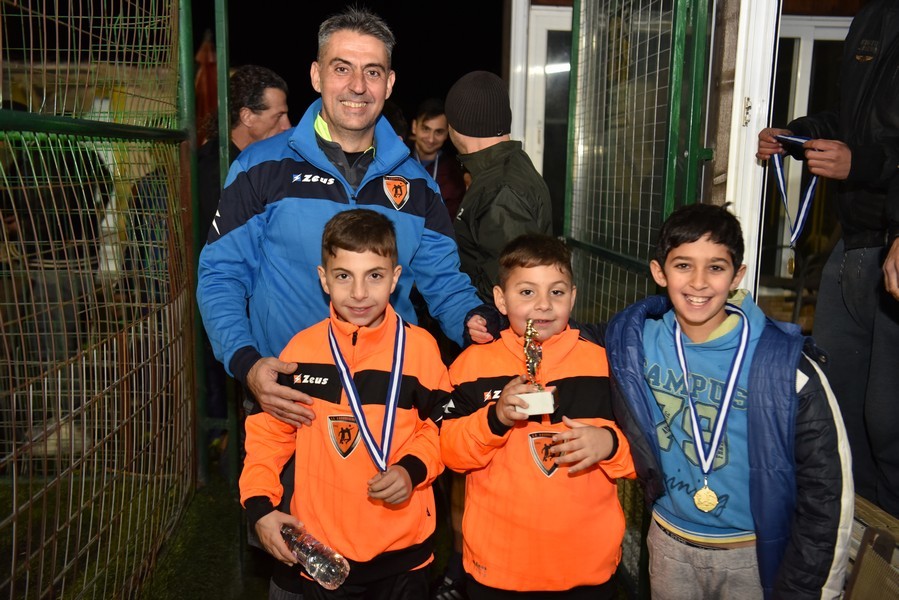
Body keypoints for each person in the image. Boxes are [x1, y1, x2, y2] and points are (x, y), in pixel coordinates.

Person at [196, 6, 486, 430]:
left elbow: (445, 283)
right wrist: (246, 362)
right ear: (316, 76)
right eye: (342, 68)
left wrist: (476, 323)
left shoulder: (417, 183)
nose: (357, 86)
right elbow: (221, 274)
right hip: (291, 401)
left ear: (389, 83)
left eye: (372, 72)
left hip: (390, 403)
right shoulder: (260, 167)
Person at [605, 203, 853, 599]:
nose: (699, 282)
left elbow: (826, 488)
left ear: (737, 275)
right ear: (659, 272)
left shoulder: (783, 366)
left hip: (751, 554)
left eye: (716, 267)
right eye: (683, 265)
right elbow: (560, 335)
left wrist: (814, 589)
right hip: (668, 542)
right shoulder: (633, 344)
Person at [239, 209, 449, 599]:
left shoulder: (420, 350)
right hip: (321, 550)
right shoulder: (302, 350)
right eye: (343, 276)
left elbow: (442, 427)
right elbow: (269, 435)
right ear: (324, 279)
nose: (359, 293)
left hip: (404, 555)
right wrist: (259, 507)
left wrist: (412, 469)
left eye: (374, 276)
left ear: (395, 278)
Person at [756, 0, 899, 516]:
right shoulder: (873, 16)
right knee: (836, 405)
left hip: (892, 240)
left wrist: (862, 165)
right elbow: (851, 120)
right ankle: (854, 533)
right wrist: (798, 135)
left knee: (888, 422)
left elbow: (870, 149)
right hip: (855, 241)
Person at [440, 233, 635, 599]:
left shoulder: (605, 365)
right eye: (527, 292)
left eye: (556, 292)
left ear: (573, 297)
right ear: (501, 300)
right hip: (498, 569)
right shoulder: (470, 366)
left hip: (586, 567)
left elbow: (643, 456)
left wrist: (609, 444)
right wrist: (495, 418)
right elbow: (450, 454)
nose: (543, 305)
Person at [196, 64, 291, 452]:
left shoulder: (263, 166)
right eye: (278, 115)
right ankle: (222, 443)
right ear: (247, 116)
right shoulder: (216, 171)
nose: (288, 125)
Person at [445, 70, 553, 304]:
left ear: (457, 123)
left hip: (495, 322)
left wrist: (452, 287)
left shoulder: (499, 190)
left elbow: (515, 286)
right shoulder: (506, 170)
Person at [409, 97, 466, 219]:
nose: (431, 139)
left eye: (438, 132)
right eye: (426, 129)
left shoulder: (455, 173)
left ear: (447, 133)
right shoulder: (396, 162)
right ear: (414, 126)